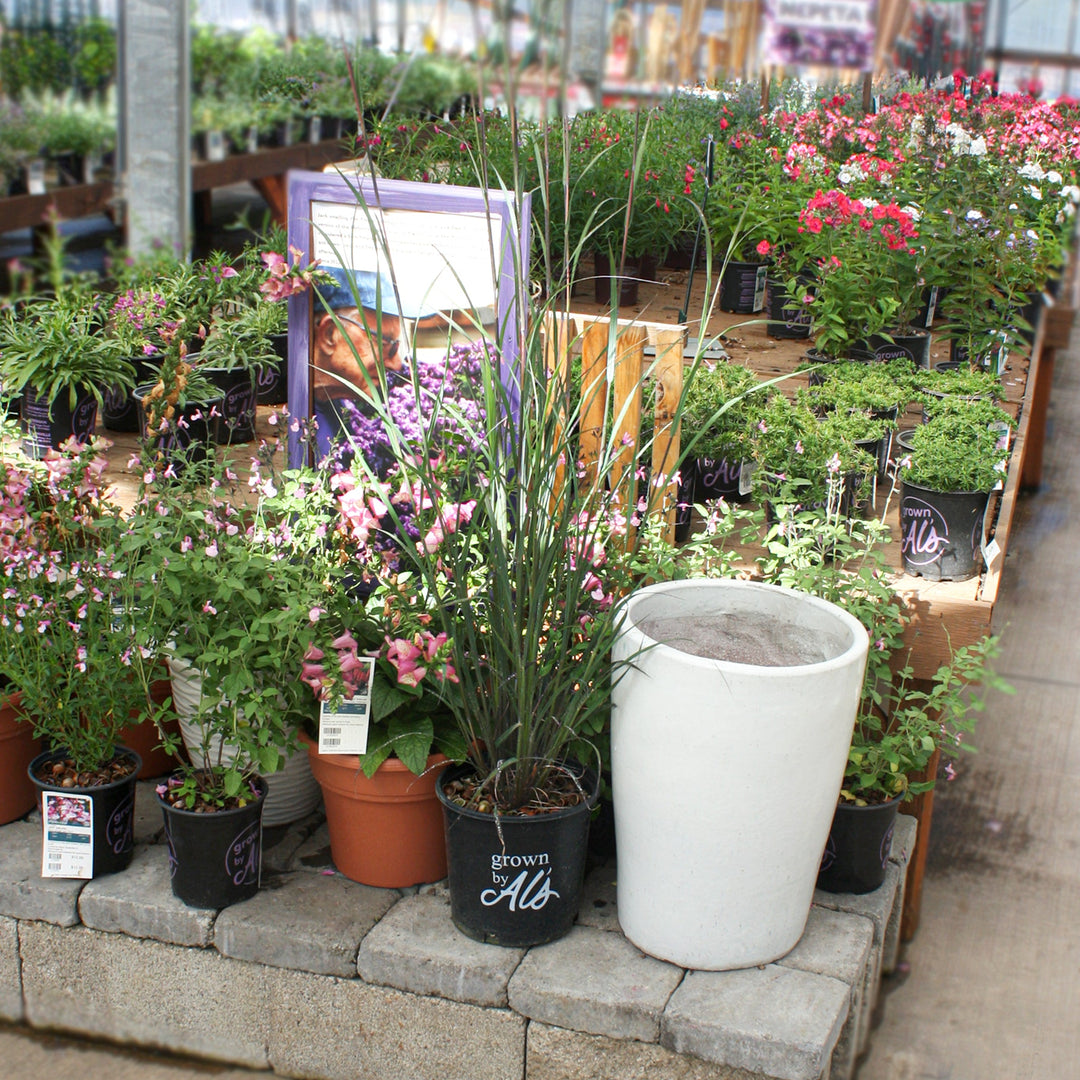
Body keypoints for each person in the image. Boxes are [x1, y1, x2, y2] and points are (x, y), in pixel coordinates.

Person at [310, 266, 444, 460]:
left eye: (397, 346)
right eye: (384, 343)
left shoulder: (339, 411)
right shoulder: (290, 422)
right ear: (330, 334)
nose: (396, 364)